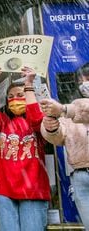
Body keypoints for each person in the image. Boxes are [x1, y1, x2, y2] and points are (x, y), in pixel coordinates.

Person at [0, 65, 50, 231]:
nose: (14, 99)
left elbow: (36, 118)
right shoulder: (4, 122)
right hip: (4, 189)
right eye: (10, 97)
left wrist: (29, 84)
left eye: (20, 95)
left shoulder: (40, 122)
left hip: (33, 189)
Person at [40, 62, 89, 229]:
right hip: (80, 175)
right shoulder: (71, 106)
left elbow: (84, 111)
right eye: (81, 80)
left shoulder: (69, 108)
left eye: (88, 78)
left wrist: (63, 109)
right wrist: (50, 127)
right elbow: (59, 137)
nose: (85, 83)